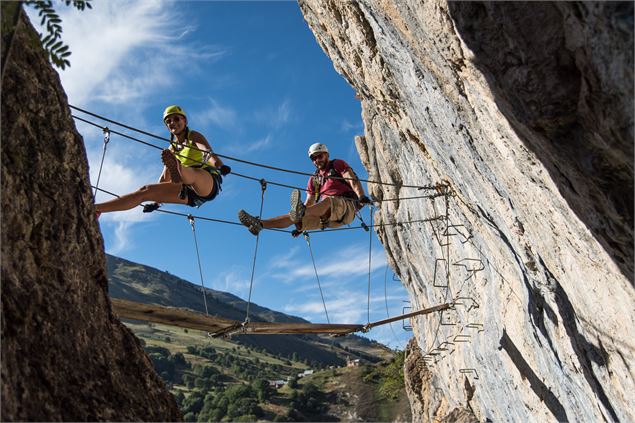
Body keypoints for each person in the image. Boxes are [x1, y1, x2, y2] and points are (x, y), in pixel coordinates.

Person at [95, 105, 230, 216]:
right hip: (189, 193)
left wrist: (219, 166)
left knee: (190, 172)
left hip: (206, 180)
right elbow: (164, 178)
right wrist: (156, 201)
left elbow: (206, 151)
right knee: (144, 190)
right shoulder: (170, 149)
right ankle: (96, 209)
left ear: (185, 121)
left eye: (176, 119)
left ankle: (179, 169)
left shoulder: (193, 136)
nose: (173, 123)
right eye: (169, 121)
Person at [238, 142, 371, 236]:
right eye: (313, 158)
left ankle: (300, 213)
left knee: (327, 202)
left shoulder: (336, 164)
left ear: (327, 155)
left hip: (346, 207)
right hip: (329, 217)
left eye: (319, 156)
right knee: (295, 218)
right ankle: (259, 224)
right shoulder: (314, 179)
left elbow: (351, 179)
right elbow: (309, 202)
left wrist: (361, 196)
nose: (316, 160)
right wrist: (301, 222)